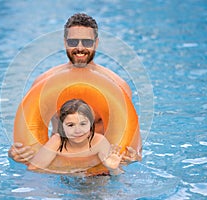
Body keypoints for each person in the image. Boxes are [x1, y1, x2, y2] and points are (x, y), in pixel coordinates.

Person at [8, 13, 141, 166]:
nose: (79, 48)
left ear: (96, 43)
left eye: (86, 42)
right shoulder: (44, 84)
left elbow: (134, 143)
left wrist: (134, 156)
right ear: (65, 43)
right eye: (73, 41)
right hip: (57, 168)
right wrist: (14, 154)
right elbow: (27, 136)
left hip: (100, 171)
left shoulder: (118, 87)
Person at [27, 99, 123, 175]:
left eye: (83, 124)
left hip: (95, 179)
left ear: (90, 124)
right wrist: (71, 174)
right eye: (70, 125)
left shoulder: (98, 142)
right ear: (62, 127)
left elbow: (117, 175)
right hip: (64, 181)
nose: (77, 130)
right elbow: (34, 169)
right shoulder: (57, 142)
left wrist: (113, 169)